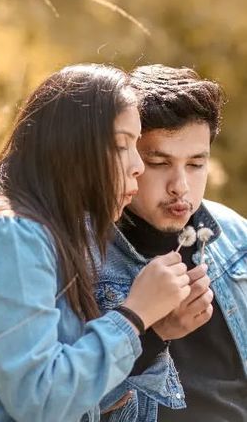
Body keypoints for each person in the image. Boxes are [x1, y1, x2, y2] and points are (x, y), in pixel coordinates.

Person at [0, 64, 191, 422]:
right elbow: (41, 398)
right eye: (122, 145)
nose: (137, 166)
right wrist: (134, 314)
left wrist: (152, 331)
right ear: (71, 149)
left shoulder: (45, 241)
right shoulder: (8, 234)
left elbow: (52, 393)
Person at [98, 64, 247, 422]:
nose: (180, 185)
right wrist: (151, 334)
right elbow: (61, 401)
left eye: (196, 165)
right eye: (159, 162)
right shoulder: (81, 253)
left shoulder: (235, 235)